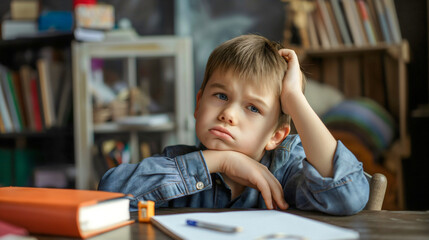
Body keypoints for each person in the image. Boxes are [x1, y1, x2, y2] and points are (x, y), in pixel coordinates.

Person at [98, 34, 369, 215]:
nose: (228, 113)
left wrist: (295, 99)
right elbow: (107, 196)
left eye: (253, 107)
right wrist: (221, 162)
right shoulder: (177, 161)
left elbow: (346, 195)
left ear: (276, 135)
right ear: (198, 104)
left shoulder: (287, 169)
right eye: (221, 96)